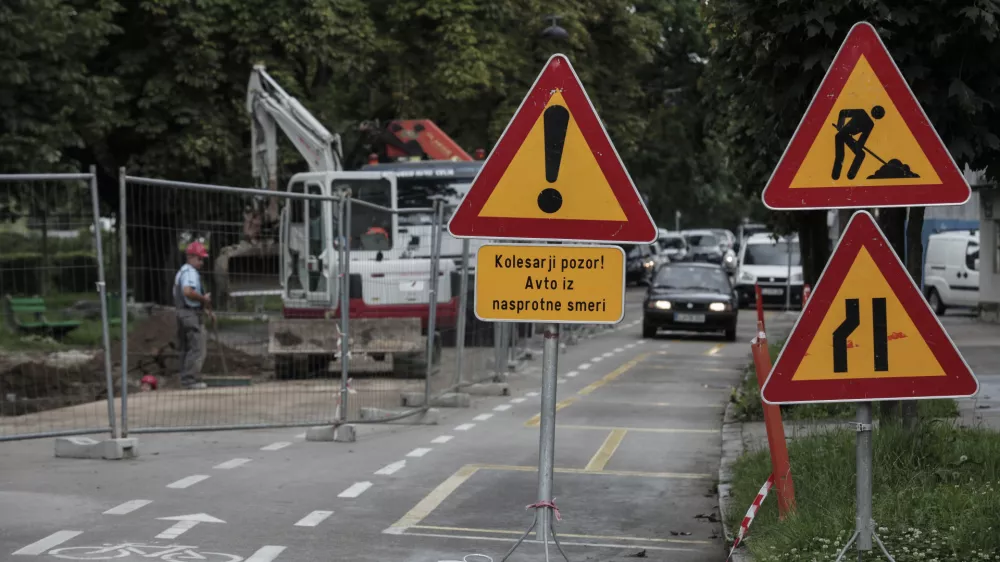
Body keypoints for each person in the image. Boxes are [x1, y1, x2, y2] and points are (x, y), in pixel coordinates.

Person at [174, 241, 213, 390]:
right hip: (189, 314)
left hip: (182, 312)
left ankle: (185, 378)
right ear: (190, 257)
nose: (202, 263)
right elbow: (188, 292)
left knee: (186, 347)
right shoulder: (190, 272)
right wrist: (204, 299)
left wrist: (207, 310)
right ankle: (190, 380)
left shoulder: (182, 271)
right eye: (199, 259)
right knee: (197, 346)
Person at [832, 105, 885, 180]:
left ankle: (851, 174)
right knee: (840, 156)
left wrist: (859, 145)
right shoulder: (861, 112)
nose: (876, 115)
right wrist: (840, 125)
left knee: (861, 154)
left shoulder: (870, 124)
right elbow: (843, 112)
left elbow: (863, 139)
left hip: (848, 136)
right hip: (841, 135)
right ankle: (835, 175)